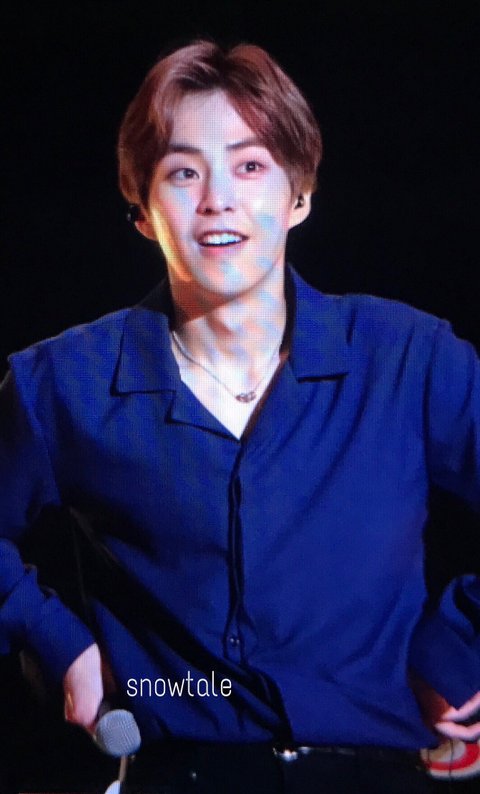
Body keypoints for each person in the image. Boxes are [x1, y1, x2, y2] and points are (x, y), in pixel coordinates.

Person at [1, 38, 480, 793]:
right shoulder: (64, 383)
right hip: (176, 767)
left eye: (250, 166)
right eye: (183, 172)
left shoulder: (410, 359)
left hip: (375, 771)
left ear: (299, 195)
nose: (218, 199)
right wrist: (57, 643)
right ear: (142, 210)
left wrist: (457, 650)